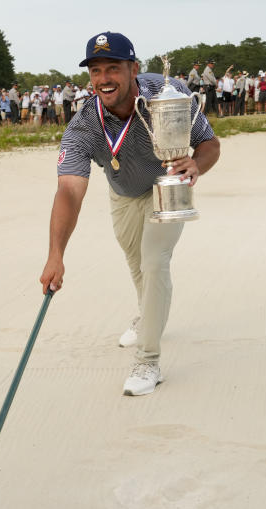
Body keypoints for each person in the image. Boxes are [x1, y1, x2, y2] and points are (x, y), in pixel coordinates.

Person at [40, 32, 220, 396]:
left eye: (113, 68)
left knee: (155, 263)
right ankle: (147, 316)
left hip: (167, 188)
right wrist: (55, 255)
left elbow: (210, 144)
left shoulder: (170, 92)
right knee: (137, 264)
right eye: (95, 71)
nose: (104, 78)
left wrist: (196, 164)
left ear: (133, 68)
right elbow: (69, 191)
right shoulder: (83, 126)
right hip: (123, 193)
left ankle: (148, 359)